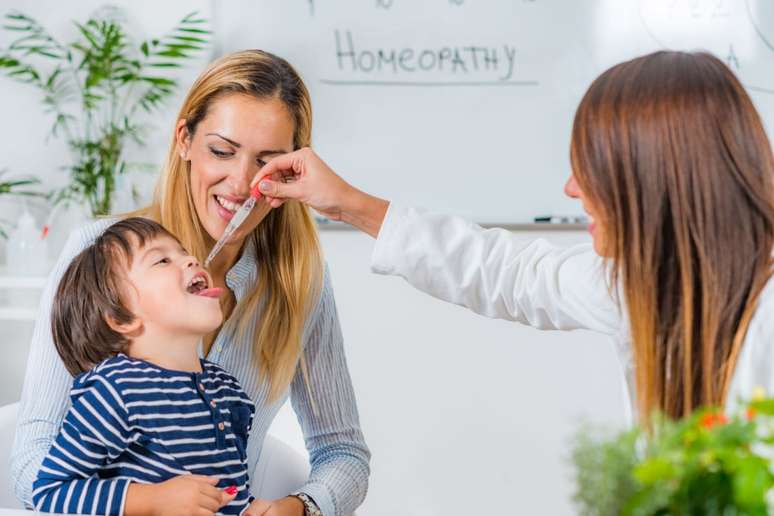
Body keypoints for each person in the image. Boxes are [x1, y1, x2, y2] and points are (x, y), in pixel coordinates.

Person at [253, 50, 774, 422]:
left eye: (592, 169)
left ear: (652, 179)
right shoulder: (636, 283)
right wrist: (348, 203)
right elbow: (505, 272)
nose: (571, 189)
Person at [12, 50, 370, 516]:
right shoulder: (98, 255)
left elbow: (342, 452)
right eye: (222, 151)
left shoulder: (300, 284)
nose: (241, 184)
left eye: (267, 162)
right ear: (184, 139)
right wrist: (148, 502)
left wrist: (300, 507)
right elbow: (35, 469)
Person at [34, 217, 256, 515]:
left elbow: (232, 492)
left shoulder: (228, 389)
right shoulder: (116, 390)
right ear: (121, 318)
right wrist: (154, 499)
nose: (192, 259)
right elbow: (50, 492)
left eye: (184, 252)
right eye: (162, 260)